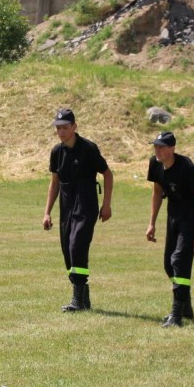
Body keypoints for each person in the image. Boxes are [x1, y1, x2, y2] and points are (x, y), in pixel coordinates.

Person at [42, 108, 113, 312]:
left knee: (77, 245)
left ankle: (77, 299)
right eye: (58, 128)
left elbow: (108, 174)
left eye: (65, 128)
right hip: (66, 203)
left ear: (74, 127)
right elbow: (54, 183)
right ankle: (83, 296)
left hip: (86, 202)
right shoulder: (57, 152)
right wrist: (47, 212)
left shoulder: (88, 148)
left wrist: (106, 204)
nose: (61, 132)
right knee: (67, 248)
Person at [145, 131, 194, 327]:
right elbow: (157, 192)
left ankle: (176, 314)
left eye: (162, 147)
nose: (157, 150)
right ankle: (185, 307)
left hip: (190, 218)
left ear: (172, 148)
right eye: (156, 146)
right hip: (173, 216)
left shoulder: (187, 168)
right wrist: (152, 222)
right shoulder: (155, 163)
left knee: (180, 261)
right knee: (168, 265)